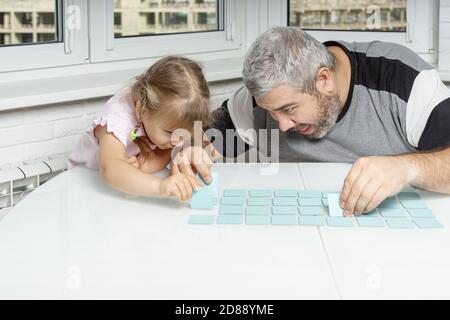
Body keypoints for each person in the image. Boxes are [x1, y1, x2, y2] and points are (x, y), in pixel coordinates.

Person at [206, 26, 450, 216]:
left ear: (324, 79)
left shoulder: (404, 80)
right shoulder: (260, 100)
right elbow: (202, 140)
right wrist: (195, 152)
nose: (282, 126)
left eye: (289, 109)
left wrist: (406, 168)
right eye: (271, 112)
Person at [68, 56, 213, 202]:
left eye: (184, 133)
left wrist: (141, 167)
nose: (178, 140)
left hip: (118, 190)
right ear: (140, 110)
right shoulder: (117, 118)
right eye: (170, 132)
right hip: (83, 185)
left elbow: (165, 152)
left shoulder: (157, 115)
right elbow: (110, 169)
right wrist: (160, 187)